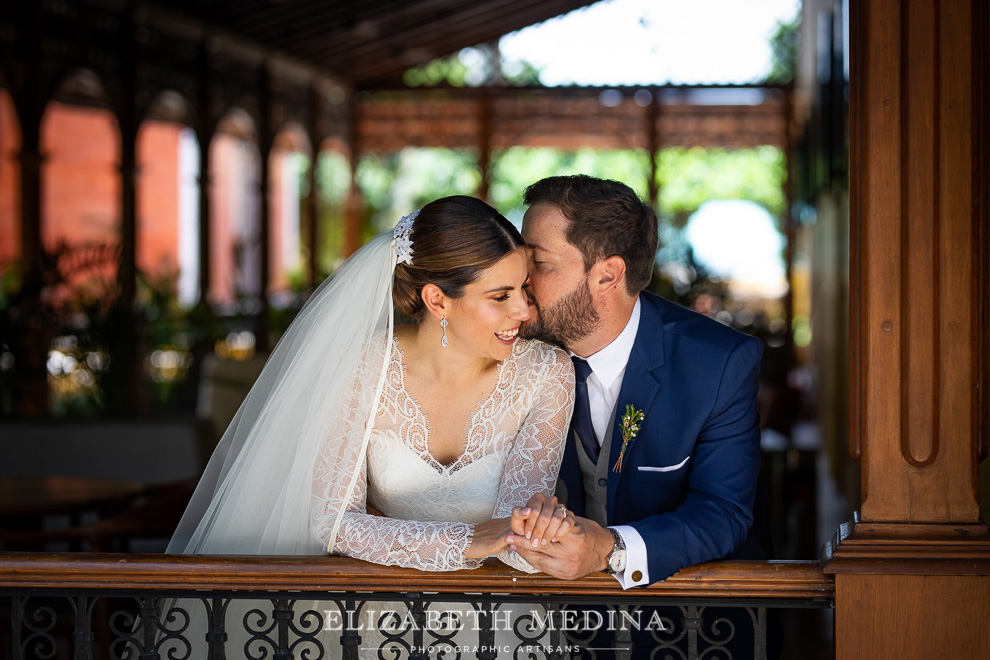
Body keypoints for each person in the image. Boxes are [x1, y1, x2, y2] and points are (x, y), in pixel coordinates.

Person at [166, 196, 576, 656]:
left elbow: (517, 535)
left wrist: (516, 531)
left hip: (502, 621)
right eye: (500, 296)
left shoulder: (548, 372)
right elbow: (334, 522)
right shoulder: (360, 368)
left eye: (524, 289)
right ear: (437, 299)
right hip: (378, 617)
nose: (523, 310)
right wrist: (468, 539)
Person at [507, 175, 769, 656]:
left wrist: (610, 547)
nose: (519, 281)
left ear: (607, 274)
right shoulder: (506, 350)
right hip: (534, 629)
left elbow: (724, 511)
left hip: (683, 632)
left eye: (537, 263)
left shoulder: (718, 364)